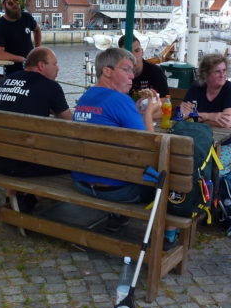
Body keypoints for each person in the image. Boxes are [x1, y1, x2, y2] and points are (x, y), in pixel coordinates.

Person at [71, 48, 180, 248]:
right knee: (174, 171)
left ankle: (117, 216)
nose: (132, 76)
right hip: (117, 191)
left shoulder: (86, 97)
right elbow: (150, 149)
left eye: (132, 71)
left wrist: (136, 110)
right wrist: (149, 113)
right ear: (107, 71)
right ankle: (170, 233)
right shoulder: (120, 100)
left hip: (82, 182)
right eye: (127, 69)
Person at [0, 47, 72, 212]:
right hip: (22, 164)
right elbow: (70, 123)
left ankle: (13, 194)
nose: (58, 68)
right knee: (72, 160)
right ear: (41, 65)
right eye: (55, 64)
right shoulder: (50, 86)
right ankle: (28, 199)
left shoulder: (7, 80)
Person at [179, 53, 231, 173]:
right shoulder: (196, 88)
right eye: (217, 71)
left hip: (229, 144)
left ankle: (223, 182)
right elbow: (183, 116)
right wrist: (214, 117)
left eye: (224, 70)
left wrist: (200, 117)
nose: (223, 75)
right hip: (199, 142)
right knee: (180, 161)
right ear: (206, 74)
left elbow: (226, 123)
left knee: (208, 168)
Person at [0, 0, 42, 74]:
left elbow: (37, 30)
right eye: (10, 3)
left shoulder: (27, 17)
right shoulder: (0, 26)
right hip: (12, 72)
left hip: (32, 68)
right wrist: (22, 59)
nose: (15, 5)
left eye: (17, 1)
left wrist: (37, 50)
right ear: (3, 5)